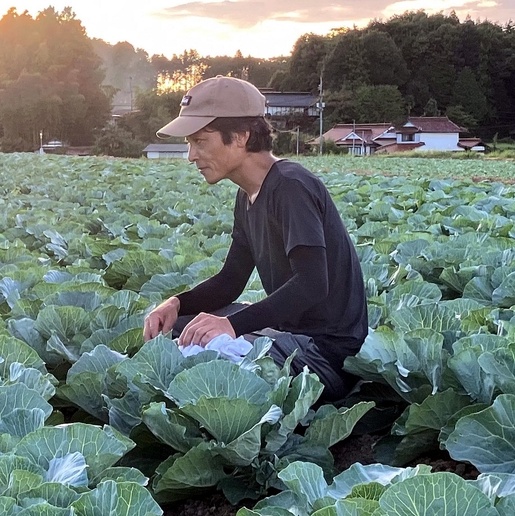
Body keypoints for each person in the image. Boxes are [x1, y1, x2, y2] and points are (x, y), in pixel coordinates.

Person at [142, 76, 368, 401]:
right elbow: (230, 282)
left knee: (202, 356)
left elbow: (313, 284)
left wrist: (232, 326)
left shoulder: (291, 186)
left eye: (200, 141)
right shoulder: (248, 195)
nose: (191, 155)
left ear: (241, 137)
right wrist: (177, 303)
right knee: (182, 327)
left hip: (324, 354)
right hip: (286, 335)